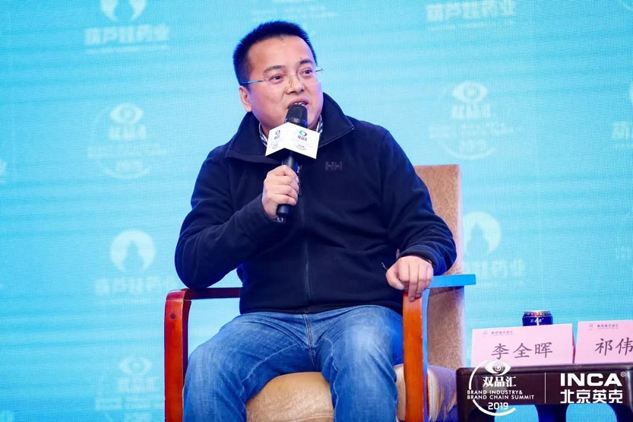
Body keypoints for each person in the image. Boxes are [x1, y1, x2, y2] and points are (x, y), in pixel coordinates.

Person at [175, 20, 457, 422]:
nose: (297, 86)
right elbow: (193, 264)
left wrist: (420, 255)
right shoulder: (226, 164)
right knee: (208, 364)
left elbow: (429, 229)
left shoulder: (371, 144)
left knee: (361, 349)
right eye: (277, 77)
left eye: (306, 71)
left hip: (362, 313)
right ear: (245, 96)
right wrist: (258, 213)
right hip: (268, 322)